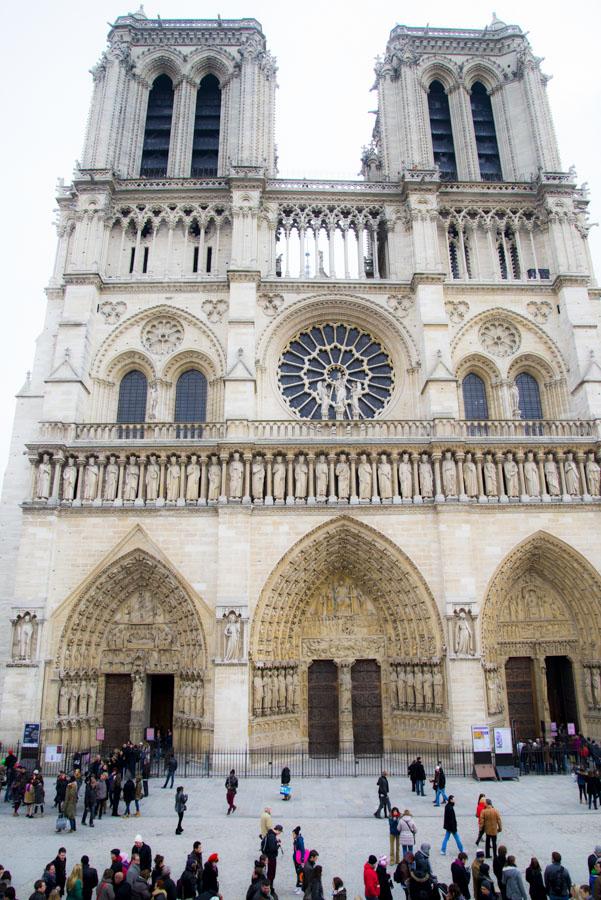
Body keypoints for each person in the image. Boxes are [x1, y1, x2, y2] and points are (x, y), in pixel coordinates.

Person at [293, 825, 307, 895]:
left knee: (300, 873)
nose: (292, 835)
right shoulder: (296, 838)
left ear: (295, 834)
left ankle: (301, 887)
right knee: (297, 872)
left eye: (293, 834)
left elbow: (302, 850)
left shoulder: (300, 840)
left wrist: (302, 861)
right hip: (296, 858)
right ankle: (298, 886)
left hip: (299, 859)